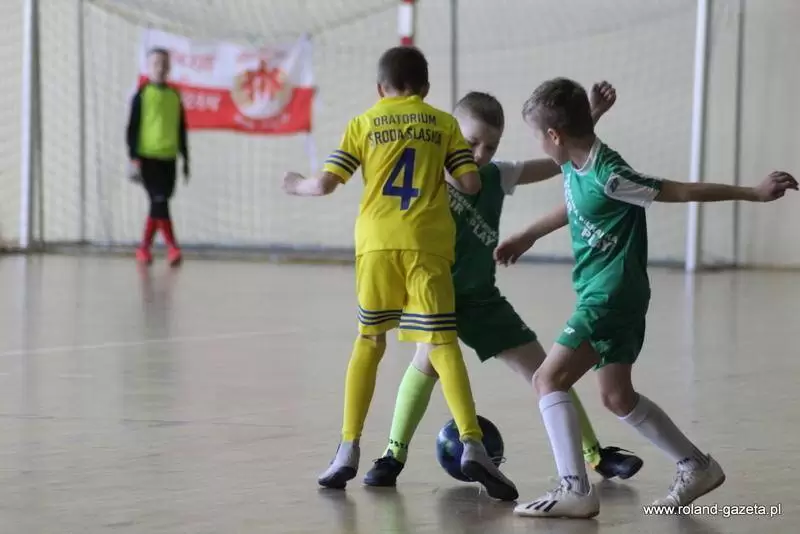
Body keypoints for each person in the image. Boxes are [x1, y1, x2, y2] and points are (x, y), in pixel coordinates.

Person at [494, 77, 798, 518]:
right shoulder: (577, 161)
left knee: (548, 379)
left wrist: (752, 193)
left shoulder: (612, 175)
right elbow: (577, 200)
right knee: (616, 396)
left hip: (610, 296)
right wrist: (528, 235)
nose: (539, 144)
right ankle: (696, 466)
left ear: (555, 136)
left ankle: (575, 489)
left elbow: (682, 191)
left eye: (538, 136)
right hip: (611, 294)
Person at [363, 85, 645, 488]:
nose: (479, 154)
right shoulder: (424, 177)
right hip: (435, 296)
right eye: (471, 143)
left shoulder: (497, 175)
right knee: (426, 362)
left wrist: (590, 118)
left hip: (482, 298)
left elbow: (555, 161)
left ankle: (595, 455)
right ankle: (393, 455)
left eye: (490, 147)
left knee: (546, 372)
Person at [282, 46, 518, 501]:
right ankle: (472, 443)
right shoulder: (444, 124)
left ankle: (347, 449)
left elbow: (325, 184)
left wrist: (295, 184)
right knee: (442, 344)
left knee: (369, 341)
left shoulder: (363, 123)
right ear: (426, 89)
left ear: (380, 88)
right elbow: (471, 183)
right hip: (427, 246)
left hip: (375, 244)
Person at [126, 47, 190, 267]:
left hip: (169, 157)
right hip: (148, 157)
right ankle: (173, 247)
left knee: (159, 203)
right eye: (156, 64)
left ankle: (144, 248)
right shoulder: (142, 95)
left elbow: (181, 128)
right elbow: (132, 127)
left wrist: (186, 158)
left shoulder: (174, 96)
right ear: (148, 67)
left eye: (164, 64)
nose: (160, 68)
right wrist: (133, 156)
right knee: (159, 201)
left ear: (169, 67)